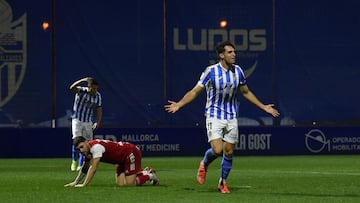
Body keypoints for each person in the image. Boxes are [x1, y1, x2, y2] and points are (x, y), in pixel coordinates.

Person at [164, 41, 280, 194]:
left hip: (231, 116)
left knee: (229, 151)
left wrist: (263, 106)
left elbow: (246, 92)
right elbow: (195, 91)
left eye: (234, 51)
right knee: (218, 150)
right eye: (230, 52)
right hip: (214, 115)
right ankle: (204, 163)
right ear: (221, 55)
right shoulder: (210, 71)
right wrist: (179, 104)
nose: (234, 54)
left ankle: (222, 182)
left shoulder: (238, 71)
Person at [64, 136, 159, 187]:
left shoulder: (96, 148)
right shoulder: (88, 151)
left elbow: (93, 168)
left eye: (81, 146)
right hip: (120, 160)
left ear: (86, 141)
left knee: (130, 184)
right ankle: (145, 172)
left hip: (130, 153)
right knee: (121, 184)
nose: (81, 150)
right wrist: (75, 182)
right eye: (79, 149)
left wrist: (84, 184)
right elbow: (85, 167)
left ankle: (150, 175)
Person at [69, 77, 102, 171]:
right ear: (89, 87)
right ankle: (74, 161)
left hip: (88, 121)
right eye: (93, 88)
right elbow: (72, 88)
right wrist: (82, 80)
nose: (95, 90)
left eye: (96, 88)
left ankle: (81, 163)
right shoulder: (82, 90)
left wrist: (97, 121)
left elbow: (99, 109)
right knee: (76, 140)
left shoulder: (98, 96)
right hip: (77, 120)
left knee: (87, 144)